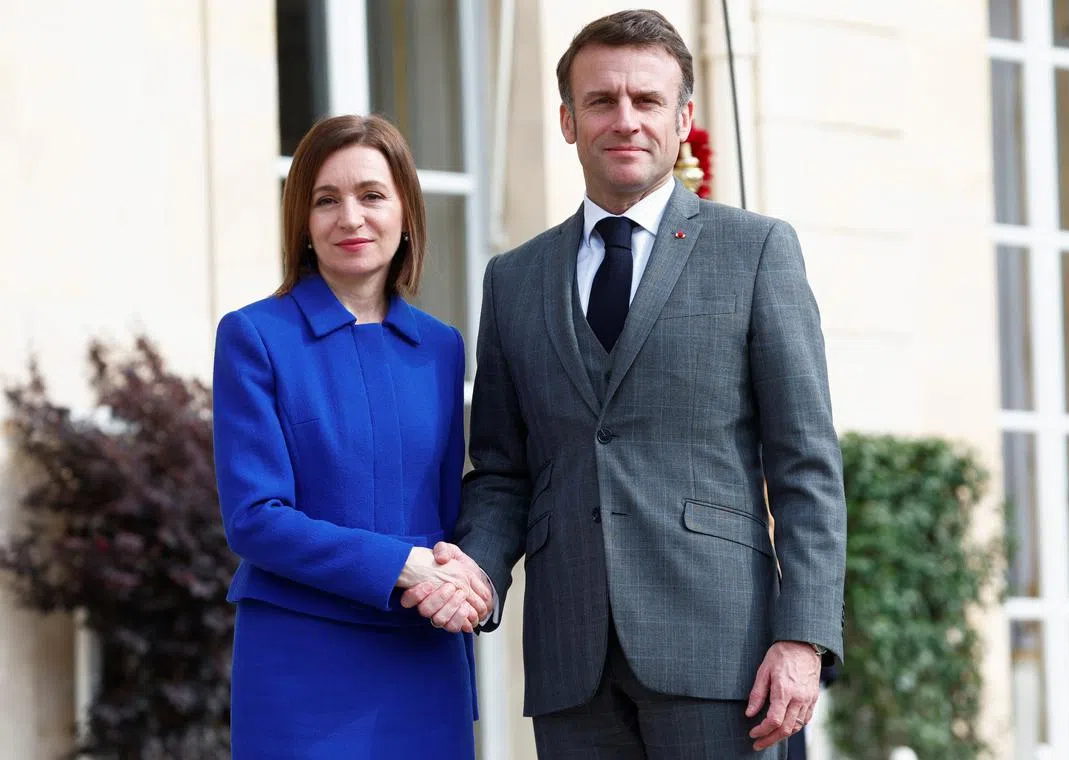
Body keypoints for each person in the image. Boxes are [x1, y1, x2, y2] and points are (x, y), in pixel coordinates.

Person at [403, 9, 847, 759]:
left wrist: (803, 637)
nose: (626, 120)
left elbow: (806, 464)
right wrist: (476, 571)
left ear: (683, 119)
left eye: (647, 100)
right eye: (601, 100)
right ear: (568, 121)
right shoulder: (514, 280)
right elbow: (504, 470)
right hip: (571, 662)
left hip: (724, 657)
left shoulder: (756, 251)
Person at [212, 114, 491, 759]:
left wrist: (461, 578)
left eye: (372, 195)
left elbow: (448, 508)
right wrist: (401, 565)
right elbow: (254, 518)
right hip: (304, 667)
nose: (351, 218)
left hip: (424, 656)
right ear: (303, 222)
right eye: (326, 200)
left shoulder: (442, 347)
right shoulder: (254, 337)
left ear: (406, 211)